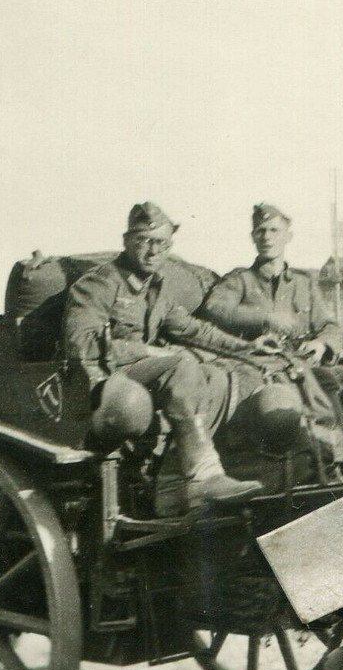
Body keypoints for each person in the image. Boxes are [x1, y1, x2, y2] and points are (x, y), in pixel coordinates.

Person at [64, 202, 274, 511]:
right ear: (126, 241)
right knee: (182, 366)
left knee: (216, 376)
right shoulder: (99, 283)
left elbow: (194, 330)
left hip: (144, 382)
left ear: (169, 246)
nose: (152, 251)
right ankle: (204, 477)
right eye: (143, 241)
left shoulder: (158, 288)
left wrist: (249, 348)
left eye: (161, 243)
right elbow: (81, 344)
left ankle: (175, 485)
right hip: (104, 385)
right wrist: (149, 351)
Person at [199, 203, 343, 449]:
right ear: (253, 237)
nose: (267, 237)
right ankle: (329, 458)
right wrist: (265, 317)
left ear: (288, 236)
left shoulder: (304, 284)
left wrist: (321, 344)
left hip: (304, 365)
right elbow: (215, 308)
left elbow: (330, 326)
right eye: (261, 231)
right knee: (312, 397)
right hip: (262, 373)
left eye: (274, 230)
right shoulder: (240, 280)